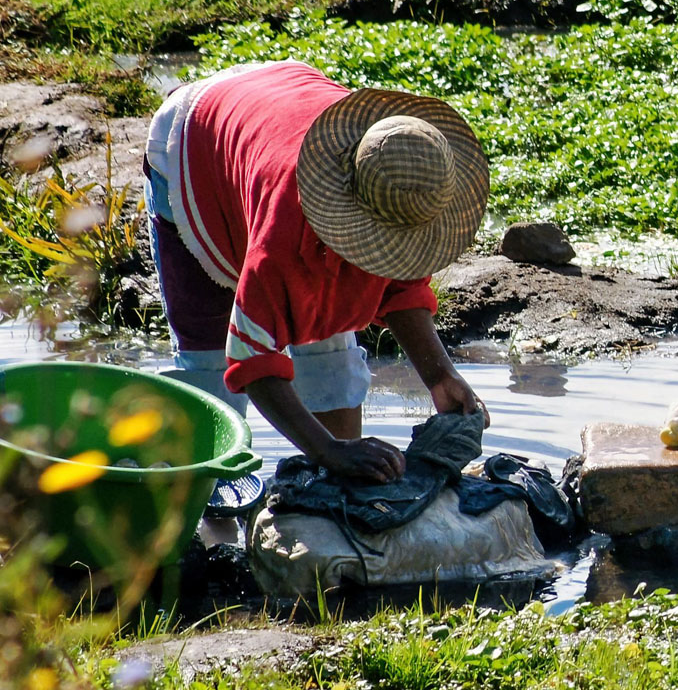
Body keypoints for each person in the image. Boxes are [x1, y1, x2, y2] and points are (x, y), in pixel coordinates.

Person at [145, 60, 490, 483]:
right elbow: (250, 360)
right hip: (193, 141)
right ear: (345, 220)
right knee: (208, 366)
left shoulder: (404, 174)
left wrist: (441, 376)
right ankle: (211, 509)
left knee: (331, 352)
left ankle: (332, 485)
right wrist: (328, 450)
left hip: (278, 104)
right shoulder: (285, 238)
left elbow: (400, 288)